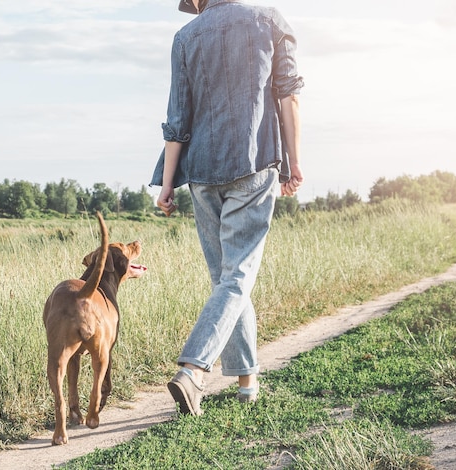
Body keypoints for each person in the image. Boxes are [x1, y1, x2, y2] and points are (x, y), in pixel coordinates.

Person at [150, 0, 304, 415]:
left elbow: (177, 119)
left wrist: (166, 185)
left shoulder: (185, 37)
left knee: (227, 280)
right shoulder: (269, 20)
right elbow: (288, 97)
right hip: (254, 164)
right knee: (236, 277)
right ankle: (193, 370)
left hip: (201, 172)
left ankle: (247, 381)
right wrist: (294, 162)